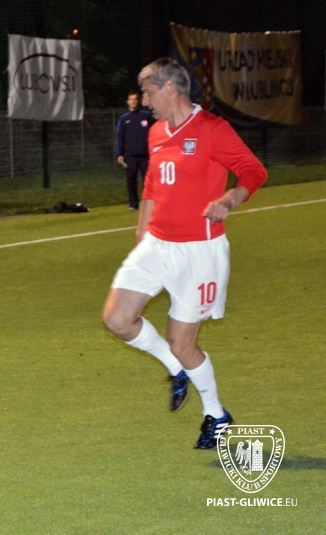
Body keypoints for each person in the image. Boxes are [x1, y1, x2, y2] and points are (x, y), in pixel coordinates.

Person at [102, 58, 267, 450]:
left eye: (148, 93)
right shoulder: (157, 132)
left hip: (199, 252)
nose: (144, 101)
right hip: (158, 244)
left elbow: (253, 171)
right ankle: (176, 369)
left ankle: (216, 414)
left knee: (183, 343)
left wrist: (228, 199)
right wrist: (142, 232)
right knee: (117, 319)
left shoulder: (211, 128)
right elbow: (152, 186)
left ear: (170, 88)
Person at [115, 90, 154, 210]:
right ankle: (133, 204)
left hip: (145, 155)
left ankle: (147, 203)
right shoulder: (124, 118)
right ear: (128, 102)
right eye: (131, 99)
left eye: (136, 99)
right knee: (131, 179)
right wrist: (120, 154)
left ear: (139, 101)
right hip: (130, 155)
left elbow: (155, 132)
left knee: (147, 181)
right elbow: (120, 136)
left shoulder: (146, 116)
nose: (133, 102)